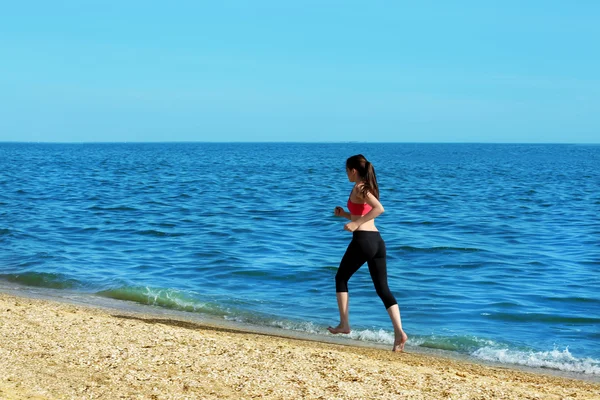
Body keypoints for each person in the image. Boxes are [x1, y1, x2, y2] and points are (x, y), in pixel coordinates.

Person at [328, 154, 408, 352]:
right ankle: (399, 332)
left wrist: (355, 223)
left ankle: (344, 324)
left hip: (363, 240)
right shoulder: (367, 187)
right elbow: (363, 213)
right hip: (377, 242)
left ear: (353, 170)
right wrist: (346, 215)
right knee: (383, 289)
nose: (346, 174)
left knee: (341, 278)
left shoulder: (360, 187)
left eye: (347, 170)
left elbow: (379, 209)